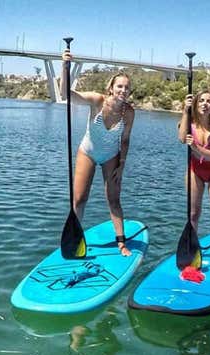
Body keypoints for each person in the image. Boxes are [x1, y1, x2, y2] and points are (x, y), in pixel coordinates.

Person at [61, 50, 136, 256]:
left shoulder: (128, 112)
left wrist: (121, 165)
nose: (123, 90)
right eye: (119, 86)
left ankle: (121, 243)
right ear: (111, 88)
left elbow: (126, 140)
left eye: (126, 87)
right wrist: (64, 66)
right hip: (88, 152)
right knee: (79, 199)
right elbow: (66, 95)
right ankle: (74, 238)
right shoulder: (97, 100)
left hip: (112, 156)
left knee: (114, 200)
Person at [177, 89, 210, 270]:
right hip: (195, 170)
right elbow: (181, 138)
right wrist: (185, 111)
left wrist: (197, 147)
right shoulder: (188, 123)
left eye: (209, 101)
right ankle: (192, 252)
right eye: (201, 100)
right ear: (195, 103)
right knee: (193, 214)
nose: (205, 104)